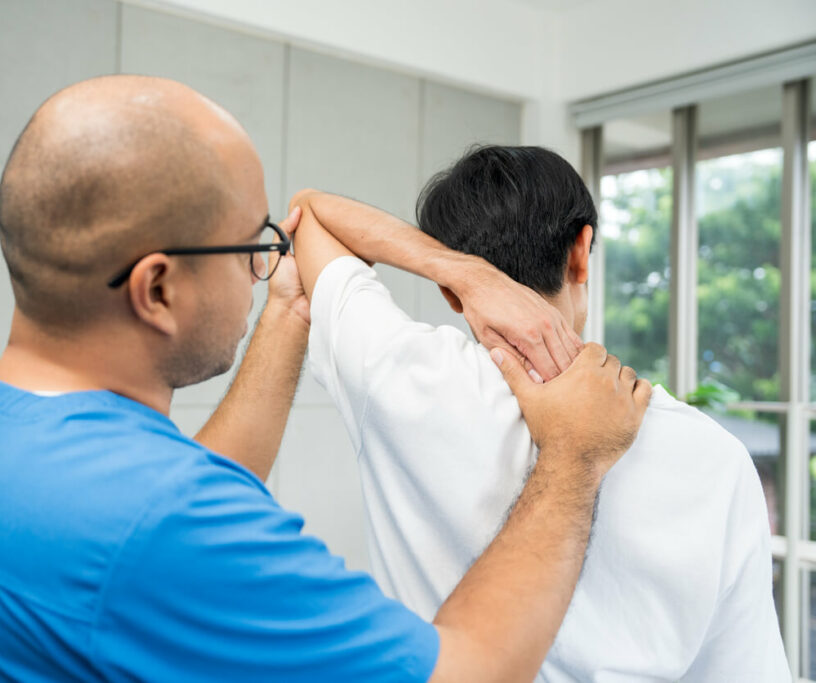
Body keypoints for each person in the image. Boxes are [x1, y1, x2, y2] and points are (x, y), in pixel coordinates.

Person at [0, 76, 651, 682]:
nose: (264, 262)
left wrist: (439, 277)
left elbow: (207, 474)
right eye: (250, 245)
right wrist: (574, 454)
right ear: (158, 290)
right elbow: (466, 672)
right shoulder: (161, 520)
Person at [291, 145, 790, 682]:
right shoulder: (716, 458)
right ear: (583, 251)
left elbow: (311, 213)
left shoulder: (398, 375)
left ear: (449, 295)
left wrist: (465, 272)